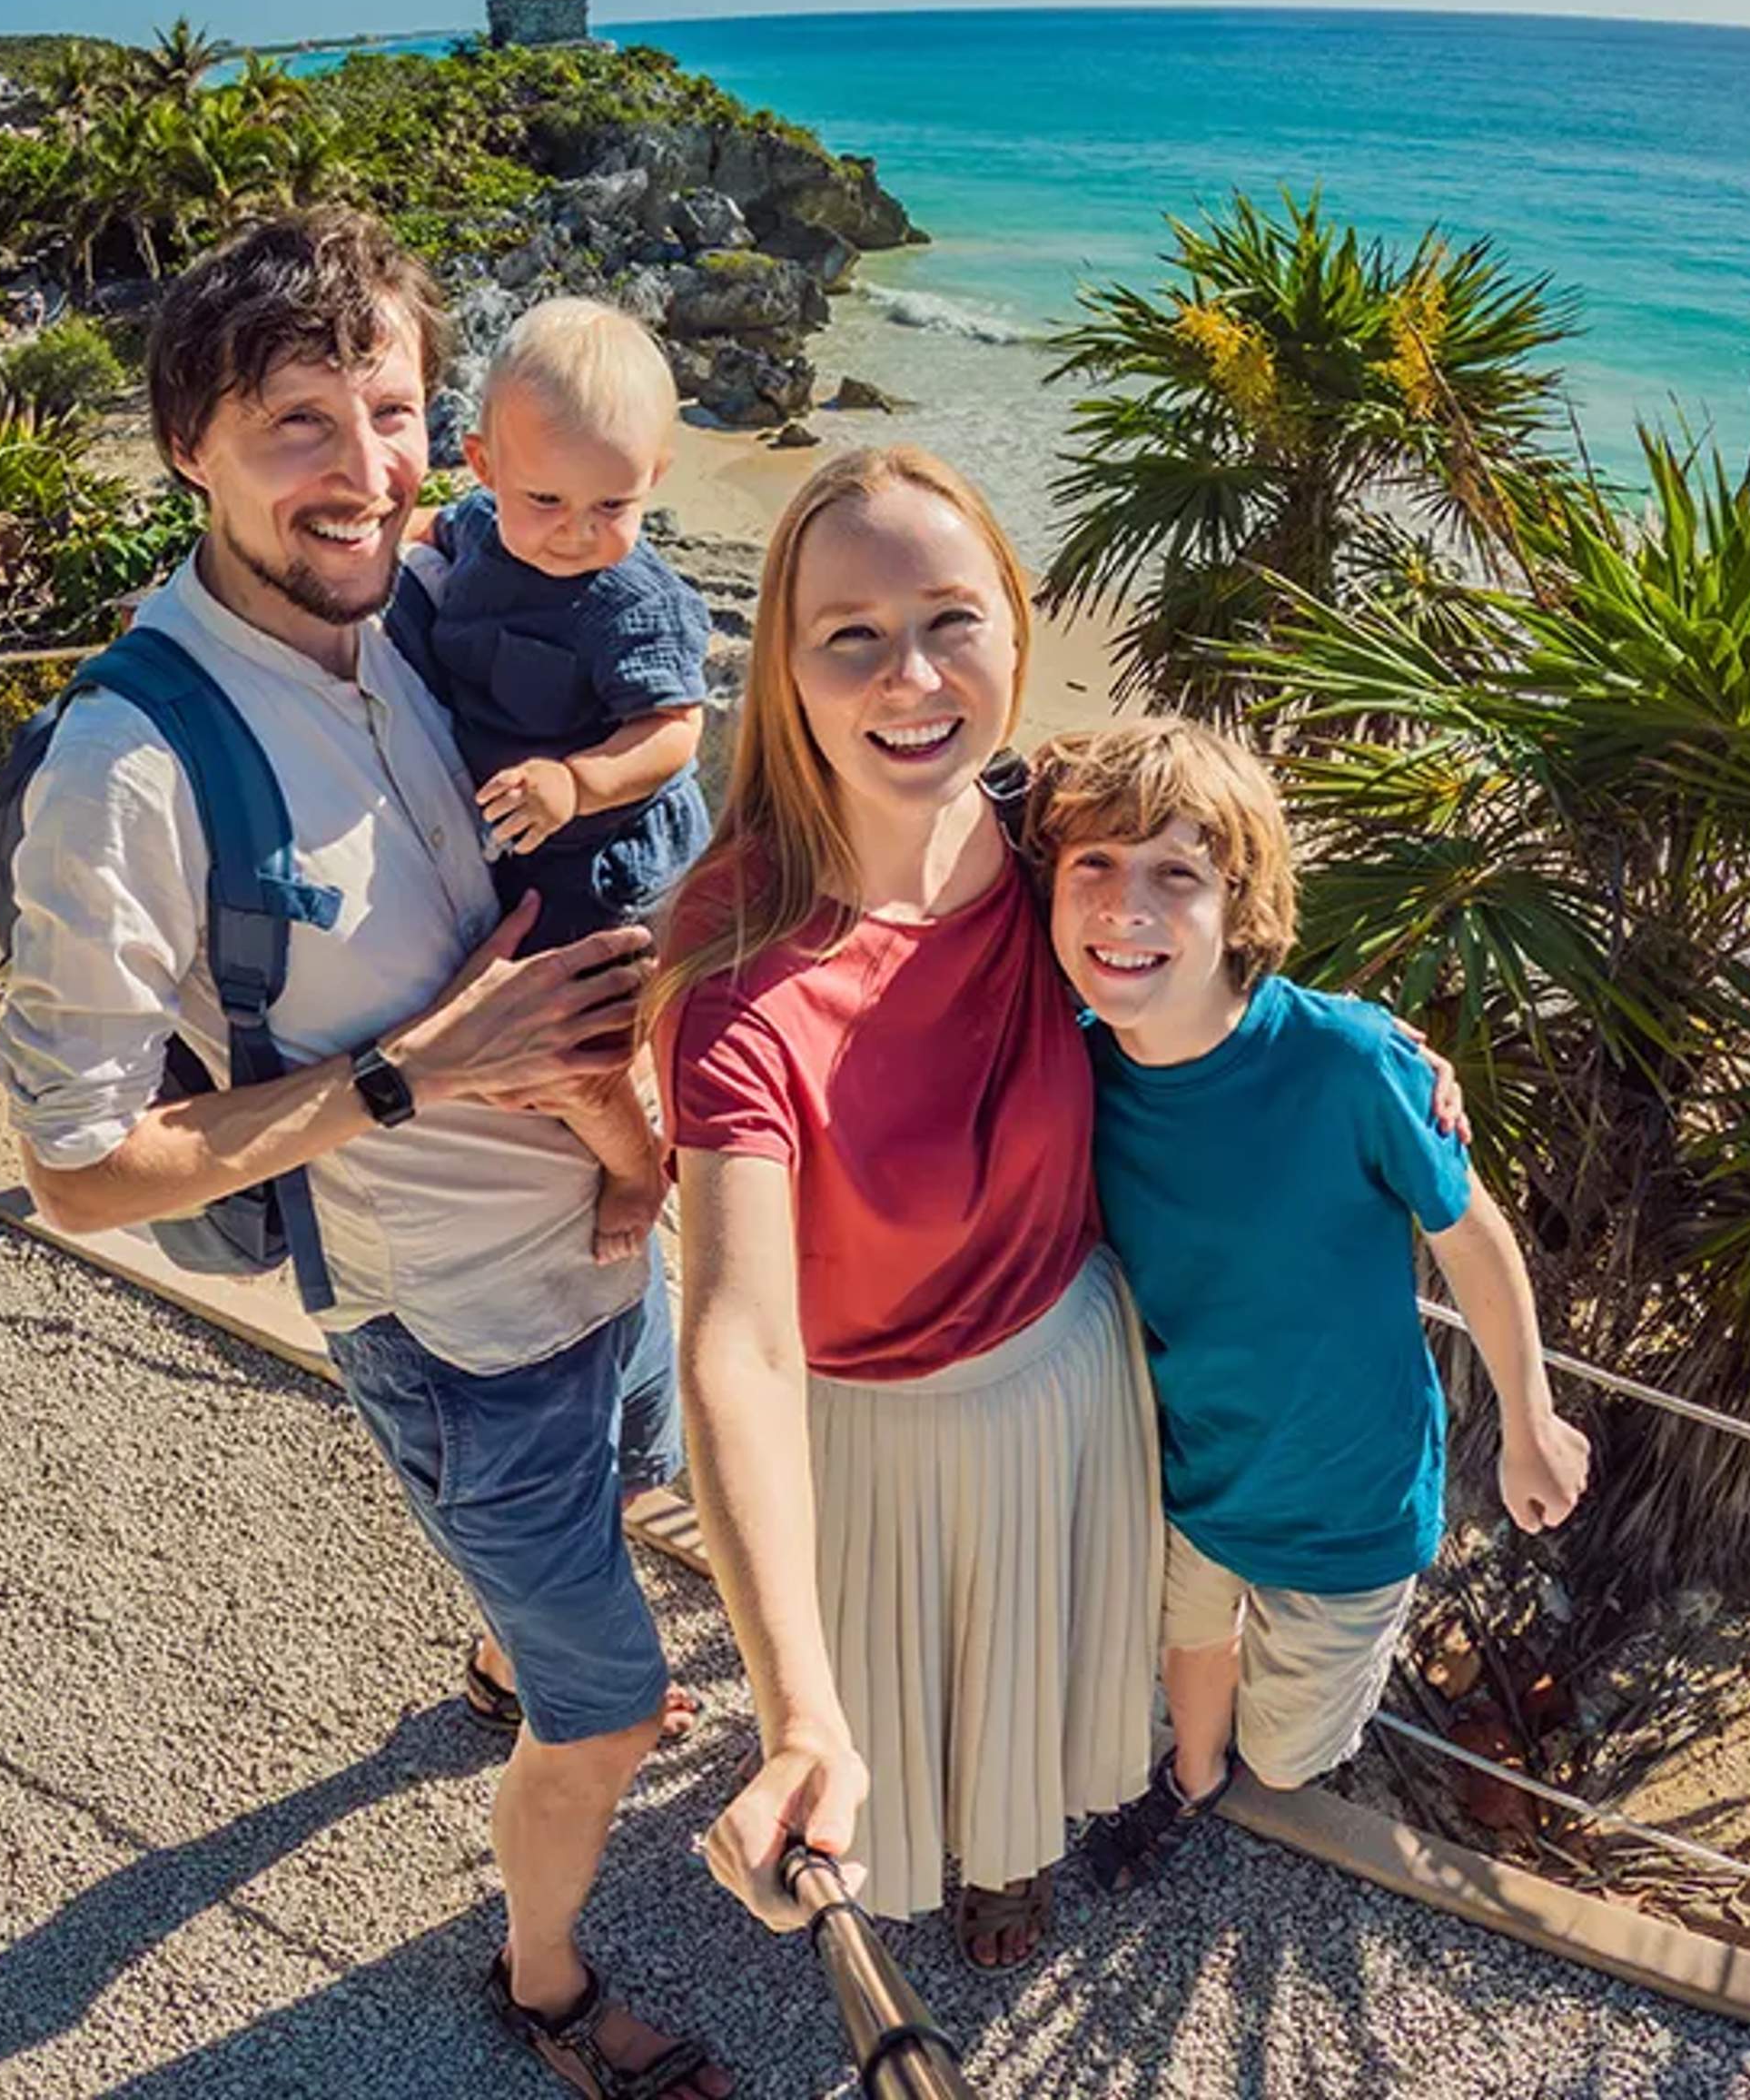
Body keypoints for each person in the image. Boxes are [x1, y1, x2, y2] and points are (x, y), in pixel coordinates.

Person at [0, 208, 732, 2100]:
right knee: (625, 1697)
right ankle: (546, 1981)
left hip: (605, 1249)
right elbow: (79, 1169)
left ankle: (499, 1650)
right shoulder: (128, 770)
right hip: (454, 1329)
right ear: (188, 449)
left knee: (638, 1468)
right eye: (294, 422)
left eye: (387, 408)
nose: (362, 468)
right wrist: (407, 1075)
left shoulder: (423, 614)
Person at [654, 447, 1467, 1971]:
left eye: (954, 620)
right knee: (904, 1701)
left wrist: (1366, 1041)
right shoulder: (743, 970)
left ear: (1020, 635)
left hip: (1072, 1373)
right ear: (786, 667)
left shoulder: (1047, 831)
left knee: (1037, 1686)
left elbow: (1214, 898)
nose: (914, 675)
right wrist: (796, 1708)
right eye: (852, 636)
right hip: (878, 1429)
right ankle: (938, 1842)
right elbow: (739, 1347)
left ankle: (1007, 1866)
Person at [1025, 718, 1590, 1891]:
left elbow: (1473, 1236)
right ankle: (1188, 1783)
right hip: (1188, 1467)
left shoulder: (1352, 1062)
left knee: (1290, 1754)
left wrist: (1530, 1420)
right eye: (1095, 866)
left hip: (1348, 1500)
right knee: (1192, 1640)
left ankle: (1246, 1767)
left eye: (1175, 874)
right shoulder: (1072, 1058)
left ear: (1242, 907)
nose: (1126, 905)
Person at [391, 295, 714, 1264]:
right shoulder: (485, 526)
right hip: (518, 831)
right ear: (486, 466)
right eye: (547, 502)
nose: (576, 531)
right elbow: (435, 528)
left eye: (613, 506)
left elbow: (676, 732)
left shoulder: (629, 600)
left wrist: (579, 781)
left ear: (655, 477)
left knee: (580, 1047)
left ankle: (630, 1163)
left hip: (603, 858)